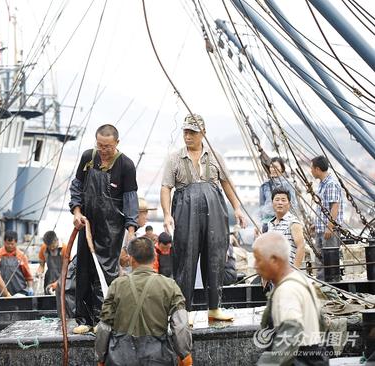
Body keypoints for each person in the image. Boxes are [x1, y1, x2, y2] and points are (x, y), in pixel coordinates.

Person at [160, 113, 246, 324]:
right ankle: (184, 312)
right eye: (185, 132)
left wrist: (237, 208)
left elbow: (226, 183)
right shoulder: (174, 158)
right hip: (185, 211)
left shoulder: (215, 156)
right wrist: (167, 215)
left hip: (215, 211)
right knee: (185, 260)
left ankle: (215, 307)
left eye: (192, 132)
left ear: (203, 133)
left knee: (215, 257)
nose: (188, 136)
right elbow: (166, 188)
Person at [69, 124, 139, 334]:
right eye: (100, 145)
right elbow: (77, 187)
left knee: (106, 272)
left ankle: (104, 320)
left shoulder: (126, 165)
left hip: (111, 228)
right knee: (83, 270)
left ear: (116, 143)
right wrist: (77, 212)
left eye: (107, 146)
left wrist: (131, 231)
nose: (103, 150)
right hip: (87, 224)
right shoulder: (88, 157)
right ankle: (84, 320)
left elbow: (130, 199)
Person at [95, 237, 193, 366]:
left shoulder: (117, 285)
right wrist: (185, 356)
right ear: (154, 258)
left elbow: (104, 326)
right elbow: (181, 326)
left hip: (120, 358)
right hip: (158, 358)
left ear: (131, 259)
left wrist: (100, 359)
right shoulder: (169, 285)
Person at [253, 232, 328, 365]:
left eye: (258, 259)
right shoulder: (301, 280)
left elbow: (292, 332)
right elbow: (321, 322)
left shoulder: (287, 291)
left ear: (274, 260)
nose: (255, 266)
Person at [311, 155, 343, 280]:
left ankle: (332, 288)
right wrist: (316, 223)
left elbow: (334, 206)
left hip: (328, 231)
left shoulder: (331, 184)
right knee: (320, 262)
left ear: (317, 169)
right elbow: (323, 207)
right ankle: (322, 287)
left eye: (312, 168)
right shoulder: (322, 184)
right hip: (321, 230)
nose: (311, 171)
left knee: (330, 263)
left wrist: (330, 226)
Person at [268, 186, 306, 268]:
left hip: (287, 273)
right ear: (272, 203)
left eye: (283, 200)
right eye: (277, 200)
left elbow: (301, 247)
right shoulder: (270, 224)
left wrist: (295, 271)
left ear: (289, 204)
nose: (280, 203)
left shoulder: (293, 223)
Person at [259, 157, 298, 232]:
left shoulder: (288, 184)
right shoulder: (265, 185)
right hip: (267, 221)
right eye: (271, 167)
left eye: (276, 167)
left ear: (282, 168)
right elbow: (262, 205)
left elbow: (293, 203)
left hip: (283, 221)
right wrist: (260, 223)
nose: (273, 169)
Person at [119, 197, 157, 273]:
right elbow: (120, 259)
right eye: (145, 213)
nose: (147, 217)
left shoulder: (132, 233)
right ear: (137, 214)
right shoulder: (126, 233)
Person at [0, 230, 34, 296]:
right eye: (7, 243)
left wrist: (30, 287)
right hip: (0, 293)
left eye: (12, 244)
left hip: (19, 292)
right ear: (4, 242)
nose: (9, 246)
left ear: (16, 242)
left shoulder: (21, 256)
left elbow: (28, 276)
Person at [36, 230, 67, 295]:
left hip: (62, 278)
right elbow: (41, 265)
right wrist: (39, 272)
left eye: (52, 246)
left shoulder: (64, 249)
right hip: (49, 278)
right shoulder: (44, 248)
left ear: (56, 240)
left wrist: (59, 282)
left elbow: (68, 269)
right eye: (49, 247)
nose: (51, 248)